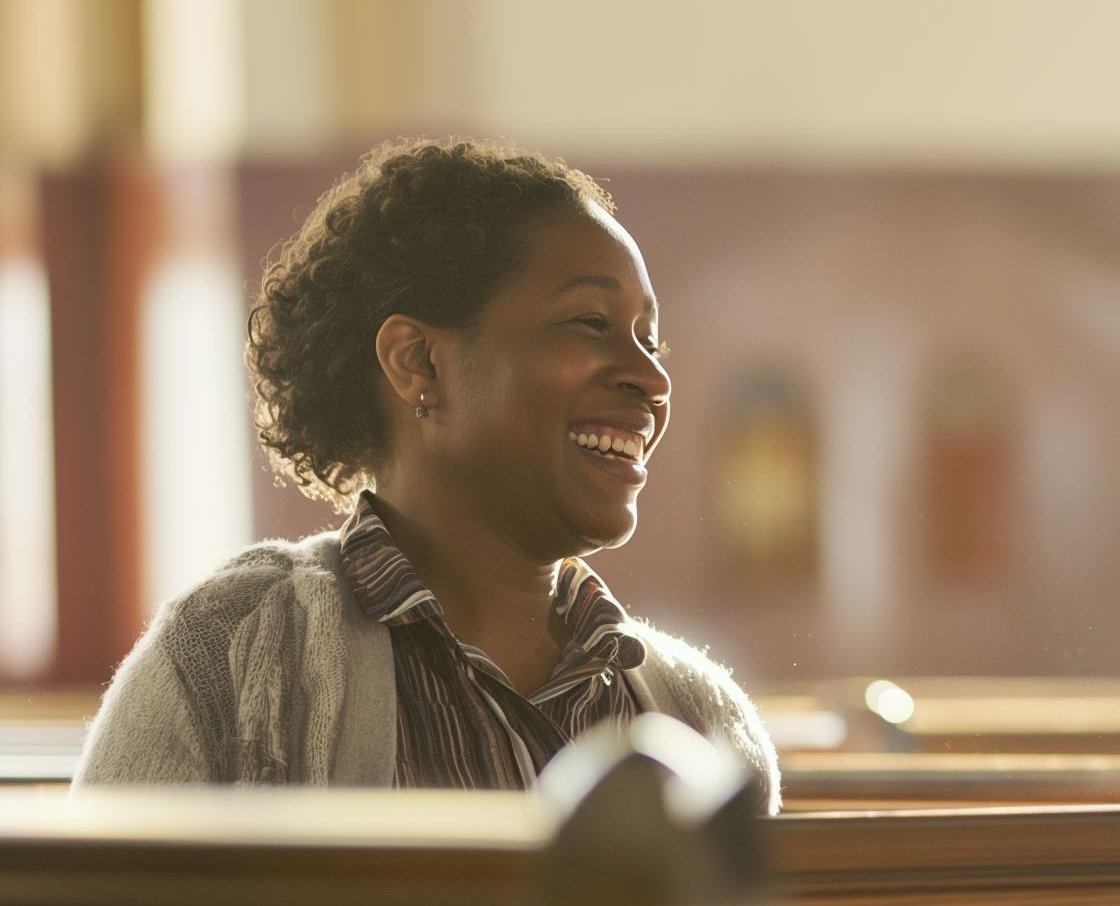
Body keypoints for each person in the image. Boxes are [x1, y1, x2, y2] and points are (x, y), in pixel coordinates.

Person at [78, 137, 780, 810]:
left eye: (649, 342)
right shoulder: (234, 658)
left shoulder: (700, 718)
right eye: (590, 322)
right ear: (419, 362)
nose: (651, 379)